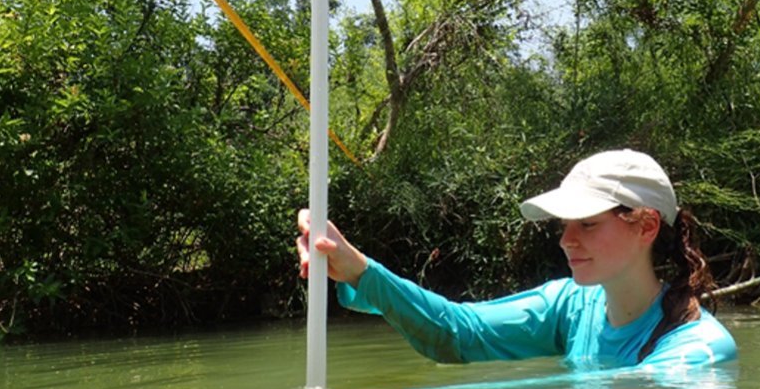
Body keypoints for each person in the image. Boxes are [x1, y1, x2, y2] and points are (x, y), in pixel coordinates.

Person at [297, 149, 736, 373]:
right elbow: (458, 332)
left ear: (646, 227)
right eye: (563, 225)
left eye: (586, 224)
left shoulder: (699, 350)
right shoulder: (569, 305)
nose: (565, 240)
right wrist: (359, 270)